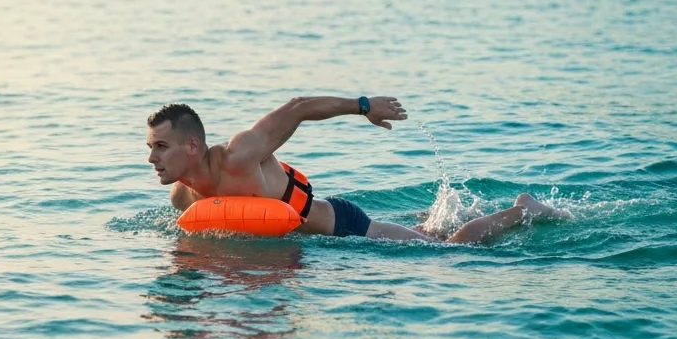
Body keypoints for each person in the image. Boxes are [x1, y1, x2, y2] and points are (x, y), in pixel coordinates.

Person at [146, 97, 570, 244]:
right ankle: (428, 221)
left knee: (451, 254)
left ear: (193, 145)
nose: (152, 158)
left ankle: (522, 208)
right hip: (315, 249)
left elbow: (298, 108)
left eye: (161, 147)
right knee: (432, 238)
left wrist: (364, 106)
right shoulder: (182, 198)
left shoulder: (239, 155)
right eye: (150, 148)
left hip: (345, 227)